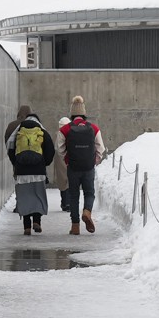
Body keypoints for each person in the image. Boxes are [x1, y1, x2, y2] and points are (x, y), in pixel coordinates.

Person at [56, 96, 106, 235]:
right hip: (88, 167)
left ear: (71, 113)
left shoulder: (65, 129)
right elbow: (100, 148)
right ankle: (87, 212)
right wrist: (94, 160)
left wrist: (67, 158)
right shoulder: (93, 128)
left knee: (73, 196)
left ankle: (75, 226)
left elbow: (59, 148)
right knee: (89, 193)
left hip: (73, 167)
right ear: (84, 113)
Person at [6, 111, 55, 235]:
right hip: (38, 171)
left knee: (25, 197)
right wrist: (44, 163)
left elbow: (10, 148)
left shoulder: (18, 131)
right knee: (38, 196)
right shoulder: (42, 131)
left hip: (22, 172)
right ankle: (37, 221)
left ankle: (26, 226)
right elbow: (50, 150)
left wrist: (16, 163)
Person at [3, 104, 32, 178]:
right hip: (31, 156)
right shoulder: (33, 124)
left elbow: (7, 140)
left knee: (18, 177)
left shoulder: (11, 125)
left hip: (16, 156)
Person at [53, 115, 69, 212]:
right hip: (69, 159)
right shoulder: (72, 133)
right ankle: (68, 203)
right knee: (69, 182)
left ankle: (65, 203)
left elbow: (57, 148)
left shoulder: (59, 134)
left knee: (63, 182)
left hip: (60, 159)